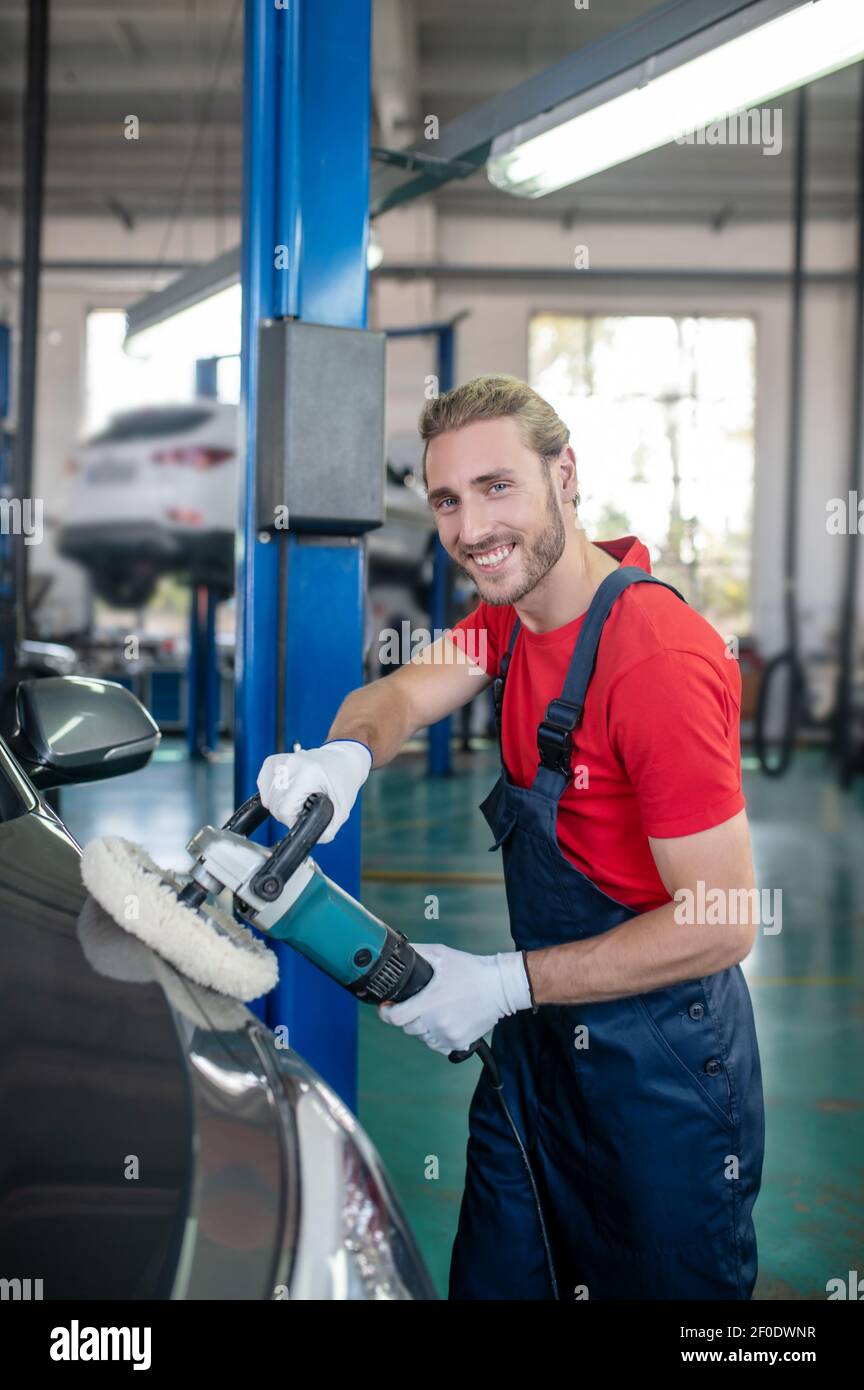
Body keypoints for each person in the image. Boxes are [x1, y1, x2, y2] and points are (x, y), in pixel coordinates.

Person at [257, 374, 765, 1301]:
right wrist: (342, 757)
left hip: (661, 1076)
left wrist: (498, 982)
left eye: (499, 487)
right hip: (537, 1050)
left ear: (564, 475)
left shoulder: (655, 657)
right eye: (448, 500)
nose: (472, 528)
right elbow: (401, 694)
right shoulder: (512, 616)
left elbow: (724, 922)